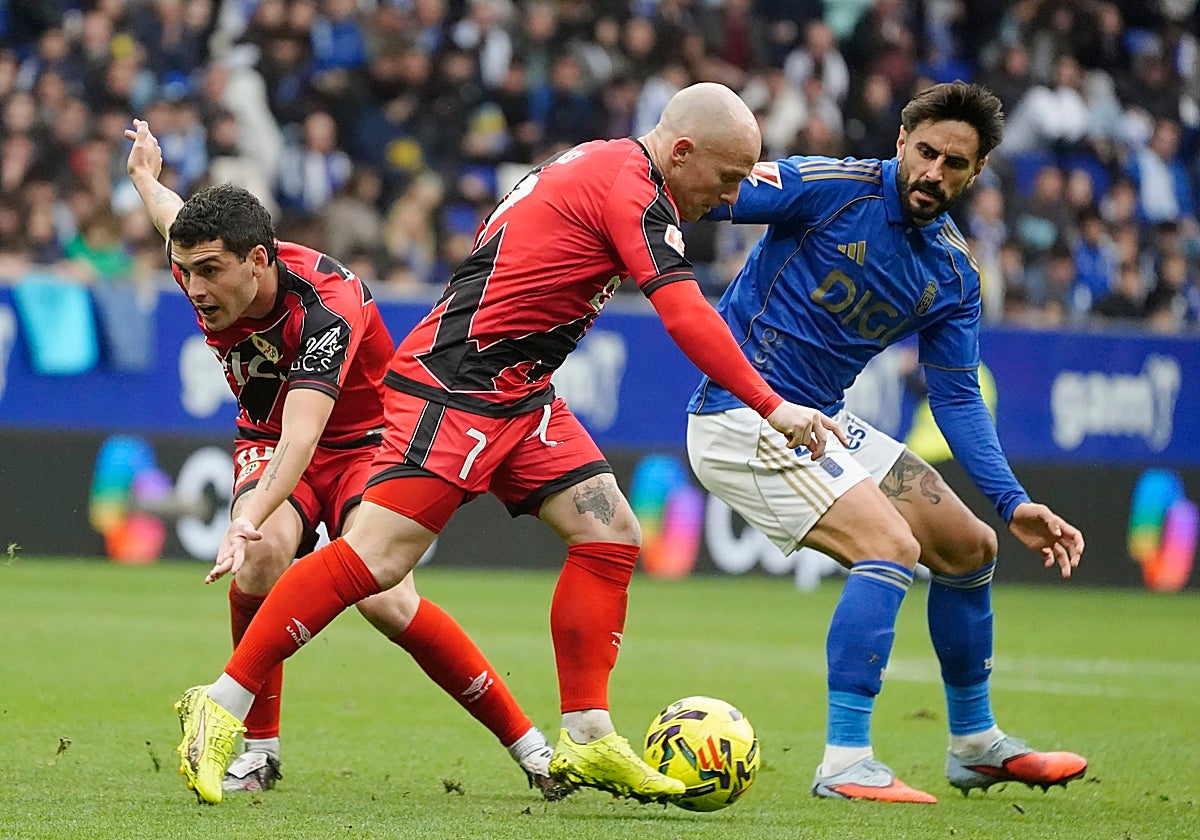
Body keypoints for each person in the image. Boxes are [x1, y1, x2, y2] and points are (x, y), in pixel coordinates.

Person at [169, 83, 845, 805]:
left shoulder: (608, 165)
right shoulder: (632, 190)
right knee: (376, 560)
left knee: (609, 529)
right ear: (682, 152)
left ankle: (587, 736)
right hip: (464, 380)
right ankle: (222, 704)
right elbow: (683, 314)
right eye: (728, 178)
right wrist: (773, 406)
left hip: (518, 387)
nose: (730, 195)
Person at [124, 120, 567, 804]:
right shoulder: (207, 259)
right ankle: (258, 751)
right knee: (265, 554)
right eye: (185, 272)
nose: (196, 289)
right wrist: (146, 179)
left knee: (388, 600)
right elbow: (171, 221)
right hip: (266, 436)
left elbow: (308, 438)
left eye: (210, 272)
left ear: (259, 263)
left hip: (365, 441)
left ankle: (532, 748)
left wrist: (245, 516)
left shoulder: (328, 303)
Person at [686, 82, 1088, 804]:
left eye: (955, 163)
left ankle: (973, 744)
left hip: (823, 420)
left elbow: (958, 395)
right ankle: (845, 761)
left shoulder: (954, 272)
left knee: (970, 549)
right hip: (741, 415)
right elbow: (708, 192)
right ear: (901, 141)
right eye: (926, 152)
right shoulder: (825, 187)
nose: (934, 172)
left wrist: (1012, 501)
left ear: (978, 171)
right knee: (890, 547)